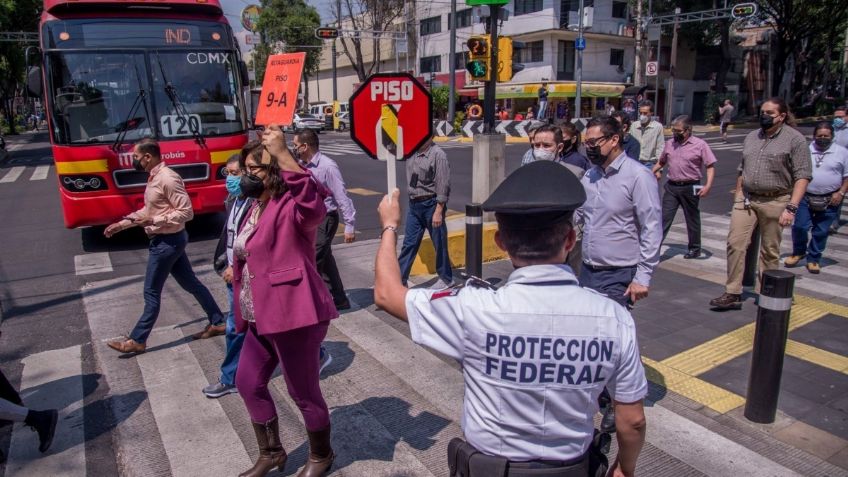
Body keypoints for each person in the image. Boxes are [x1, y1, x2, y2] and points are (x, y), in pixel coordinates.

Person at [374, 161, 648, 477]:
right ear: (570, 239)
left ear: (502, 243)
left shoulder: (472, 307)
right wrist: (624, 469)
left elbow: (386, 293)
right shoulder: (613, 318)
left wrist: (390, 226)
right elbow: (633, 420)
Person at [233, 126, 338, 477]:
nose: (247, 176)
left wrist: (282, 153)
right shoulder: (254, 207)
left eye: (255, 169)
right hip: (258, 314)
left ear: (274, 172)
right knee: (247, 381)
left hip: (293, 314)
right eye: (244, 169)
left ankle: (322, 456)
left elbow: (314, 206)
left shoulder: (292, 206)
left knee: (303, 392)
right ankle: (272, 452)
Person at [104, 139, 225, 354]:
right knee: (191, 284)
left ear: (148, 157)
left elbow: (186, 212)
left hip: (166, 242)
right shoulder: (155, 178)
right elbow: (149, 211)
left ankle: (137, 339)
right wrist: (121, 225)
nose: (134, 161)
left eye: (136, 157)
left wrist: (154, 222)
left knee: (151, 293)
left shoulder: (168, 178)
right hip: (170, 240)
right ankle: (217, 320)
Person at [710, 98, 812, 310]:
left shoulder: (795, 140)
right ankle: (733, 292)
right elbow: (742, 168)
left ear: (782, 116)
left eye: (769, 113)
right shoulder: (751, 137)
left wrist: (792, 207)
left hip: (776, 199)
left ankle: (765, 290)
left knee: (769, 249)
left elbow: (803, 176)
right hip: (747, 198)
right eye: (762, 112)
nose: (764, 116)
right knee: (735, 243)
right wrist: (738, 194)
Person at [576, 117, 662, 308]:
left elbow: (652, 226)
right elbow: (578, 213)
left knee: (608, 332)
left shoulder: (638, 176)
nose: (589, 148)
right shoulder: (591, 175)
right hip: (588, 270)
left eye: (593, 143)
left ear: (614, 140)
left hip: (618, 274)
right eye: (586, 143)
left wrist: (643, 276)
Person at [203, 149, 255, 398]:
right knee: (247, 327)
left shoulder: (257, 202)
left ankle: (230, 378)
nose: (230, 179)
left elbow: (254, 241)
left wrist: (237, 266)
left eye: (235, 174)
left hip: (246, 275)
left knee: (236, 327)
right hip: (232, 274)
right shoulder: (232, 200)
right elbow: (231, 236)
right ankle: (315, 353)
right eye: (228, 173)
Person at [293, 129, 356, 311]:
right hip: (310, 219)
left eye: (296, 145)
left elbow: (341, 195)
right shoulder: (301, 164)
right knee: (325, 259)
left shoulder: (328, 166)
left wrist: (349, 225)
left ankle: (310, 303)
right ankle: (339, 299)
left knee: (312, 260)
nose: (295, 149)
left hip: (325, 219)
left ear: (305, 146)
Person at [784, 122, 848, 273]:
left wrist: (841, 193)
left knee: (821, 231)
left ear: (832, 137)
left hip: (830, 198)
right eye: (819, 136)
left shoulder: (842, 152)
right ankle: (798, 251)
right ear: (814, 136)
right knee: (800, 226)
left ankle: (813, 259)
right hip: (805, 197)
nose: (823, 138)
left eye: (826, 136)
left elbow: (846, 176)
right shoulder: (805, 150)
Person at [652, 115, 717, 259]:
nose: (675, 133)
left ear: (688, 130)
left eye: (679, 131)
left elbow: (710, 166)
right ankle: (654, 249)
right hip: (672, 187)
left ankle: (695, 248)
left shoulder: (700, 145)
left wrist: (708, 186)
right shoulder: (670, 144)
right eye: (674, 130)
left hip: (690, 186)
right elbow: (662, 162)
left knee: (692, 218)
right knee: (664, 218)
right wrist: (650, 172)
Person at [398, 138, 453, 289]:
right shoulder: (412, 151)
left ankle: (446, 278)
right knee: (409, 244)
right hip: (414, 205)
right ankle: (400, 279)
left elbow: (443, 184)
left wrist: (439, 211)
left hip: (431, 204)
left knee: (439, 243)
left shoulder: (438, 155)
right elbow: (395, 151)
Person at [629, 100, 665, 168]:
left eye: (645, 113)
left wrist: (659, 168)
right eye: (640, 113)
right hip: (635, 162)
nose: (642, 115)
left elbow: (660, 148)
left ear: (651, 113)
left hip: (649, 164)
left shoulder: (657, 127)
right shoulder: (634, 125)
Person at [831, 106, 847, 235]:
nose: (837, 119)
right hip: (830, 165)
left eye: (840, 117)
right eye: (835, 117)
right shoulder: (830, 129)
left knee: (839, 194)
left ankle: (834, 222)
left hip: (844, 167)